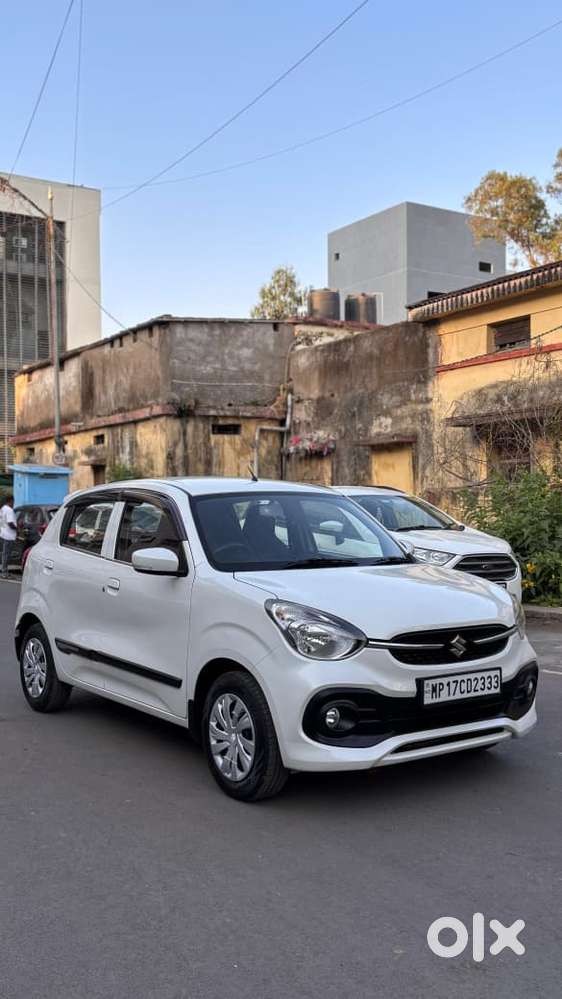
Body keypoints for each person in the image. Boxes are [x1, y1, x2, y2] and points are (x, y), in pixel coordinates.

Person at [0, 495, 17, 578]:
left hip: (3, 534)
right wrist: (18, 529)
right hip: (8, 535)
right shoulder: (9, 510)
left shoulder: (3, 509)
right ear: (10, 501)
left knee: (4, 554)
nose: (14, 503)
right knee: (6, 554)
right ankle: (4, 572)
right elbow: (10, 523)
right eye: (13, 501)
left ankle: (4, 570)